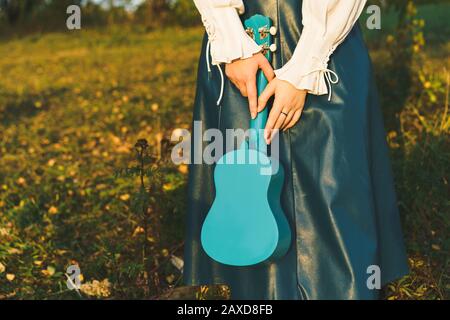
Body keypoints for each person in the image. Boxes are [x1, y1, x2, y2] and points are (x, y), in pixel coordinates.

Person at [184, 0, 409, 300]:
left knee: (334, 198)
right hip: (242, 47)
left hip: (326, 44)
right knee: (249, 210)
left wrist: (306, 65)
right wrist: (231, 42)